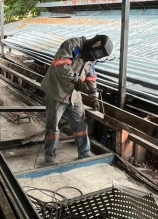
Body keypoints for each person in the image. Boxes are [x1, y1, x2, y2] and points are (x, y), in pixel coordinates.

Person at [41, 34, 114, 163]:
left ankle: (84, 153)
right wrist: (76, 81)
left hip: (74, 95)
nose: (94, 57)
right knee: (52, 125)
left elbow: (91, 77)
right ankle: (49, 156)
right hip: (56, 90)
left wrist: (94, 97)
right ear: (93, 44)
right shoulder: (71, 45)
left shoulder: (93, 56)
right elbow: (60, 66)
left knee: (80, 124)